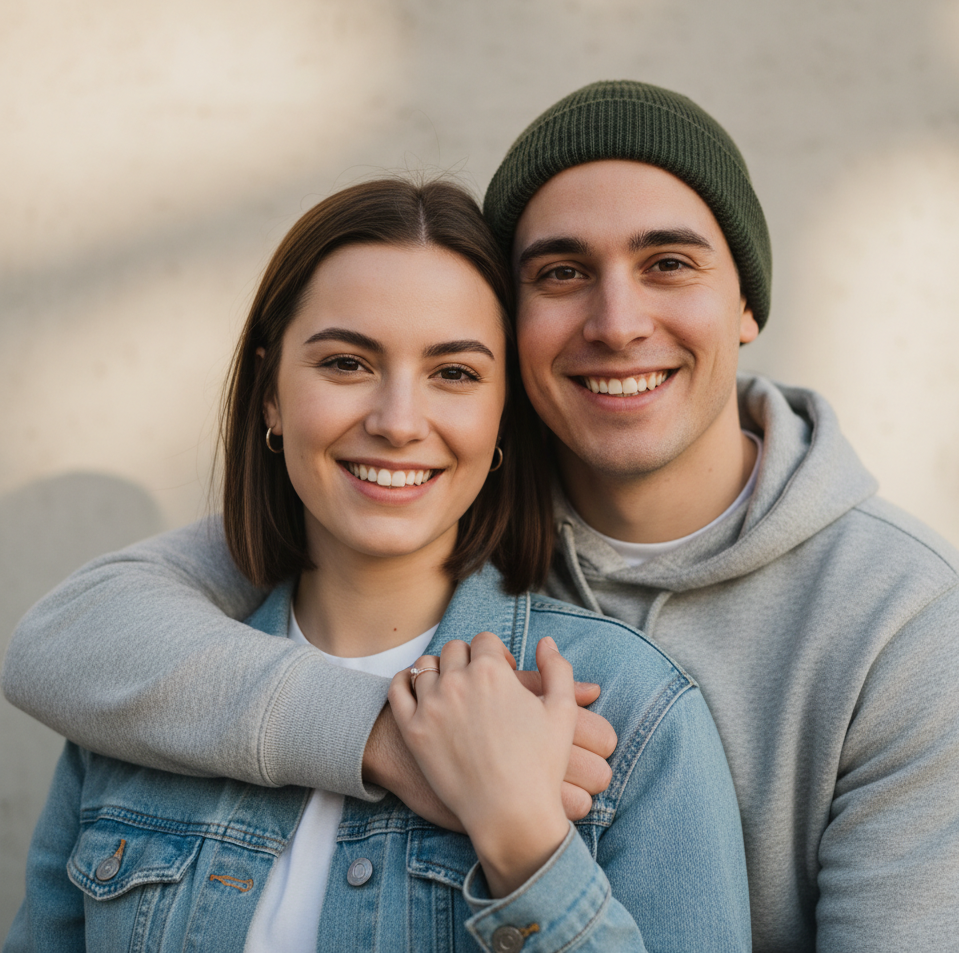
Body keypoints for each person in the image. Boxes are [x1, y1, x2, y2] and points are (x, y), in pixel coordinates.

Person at [3, 82, 959, 951]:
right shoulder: (379, 528)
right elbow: (71, 634)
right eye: (561, 272)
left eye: (669, 262)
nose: (617, 322)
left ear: (747, 302)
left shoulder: (901, 625)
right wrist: (387, 733)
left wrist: (526, 840)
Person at [3, 179, 750, 953]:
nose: (397, 422)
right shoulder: (147, 697)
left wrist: (527, 847)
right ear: (270, 397)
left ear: (501, 420)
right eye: (347, 363)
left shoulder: (631, 711)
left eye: (454, 374)